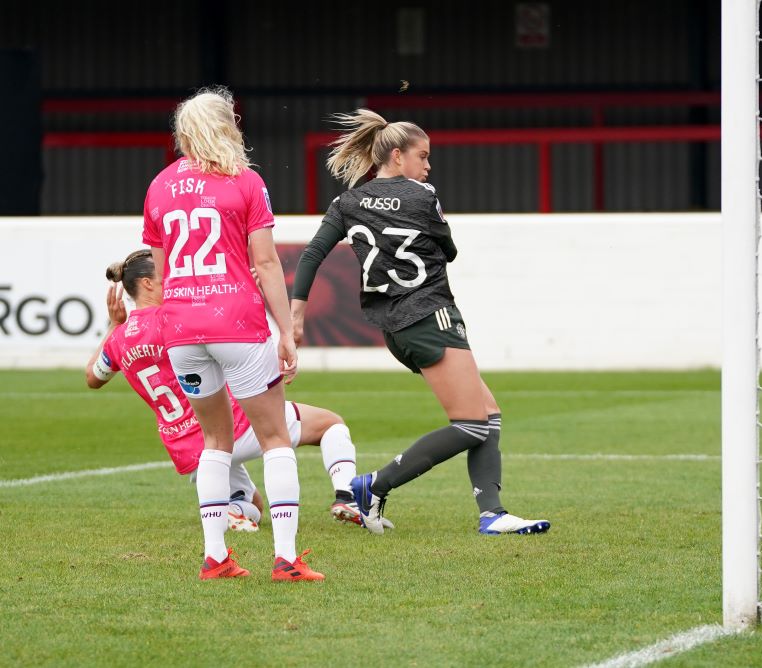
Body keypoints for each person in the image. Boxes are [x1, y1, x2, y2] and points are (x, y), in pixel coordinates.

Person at [290, 109, 550, 536]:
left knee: (488, 413)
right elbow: (449, 250)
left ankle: (492, 513)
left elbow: (312, 254)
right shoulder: (423, 195)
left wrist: (297, 311)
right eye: (423, 156)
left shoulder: (347, 202)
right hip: (430, 313)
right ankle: (373, 485)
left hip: (394, 326)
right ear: (396, 155)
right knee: (471, 423)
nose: (428, 166)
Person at [142, 87, 322, 580]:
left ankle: (216, 557)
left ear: (184, 133)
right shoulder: (245, 181)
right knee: (274, 438)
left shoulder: (158, 186)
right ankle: (285, 558)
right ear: (228, 127)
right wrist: (286, 331)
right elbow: (265, 262)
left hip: (182, 329)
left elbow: (160, 272)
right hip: (236, 323)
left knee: (215, 441)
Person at [85, 249, 382, 533]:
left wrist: (114, 325)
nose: (177, 279)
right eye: (168, 274)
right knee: (331, 424)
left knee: (253, 504)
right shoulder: (174, 320)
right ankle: (348, 497)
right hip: (231, 427)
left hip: (188, 449)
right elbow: (225, 337)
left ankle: (234, 511)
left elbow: (93, 377)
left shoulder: (119, 339)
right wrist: (242, 291)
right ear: (147, 283)